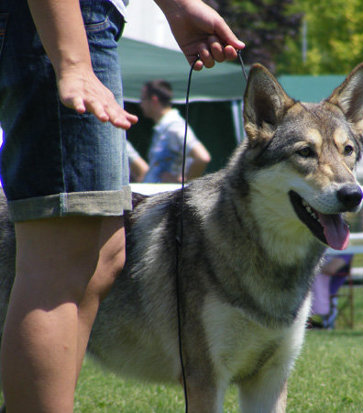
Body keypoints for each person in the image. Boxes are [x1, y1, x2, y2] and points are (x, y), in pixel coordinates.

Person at [0, 0, 244, 411]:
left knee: (103, 256)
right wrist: (71, 59)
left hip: (84, 26)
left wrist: (177, 7)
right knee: (58, 264)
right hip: (61, 23)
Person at [140, 79, 211, 183]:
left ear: (154, 100)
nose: (141, 104)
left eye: (143, 99)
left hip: (167, 196)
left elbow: (202, 157)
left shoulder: (175, 126)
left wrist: (185, 184)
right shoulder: (163, 127)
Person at [310, 253, 353, 329]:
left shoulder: (346, 251)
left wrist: (311, 268)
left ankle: (324, 322)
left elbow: (331, 269)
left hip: (329, 287)